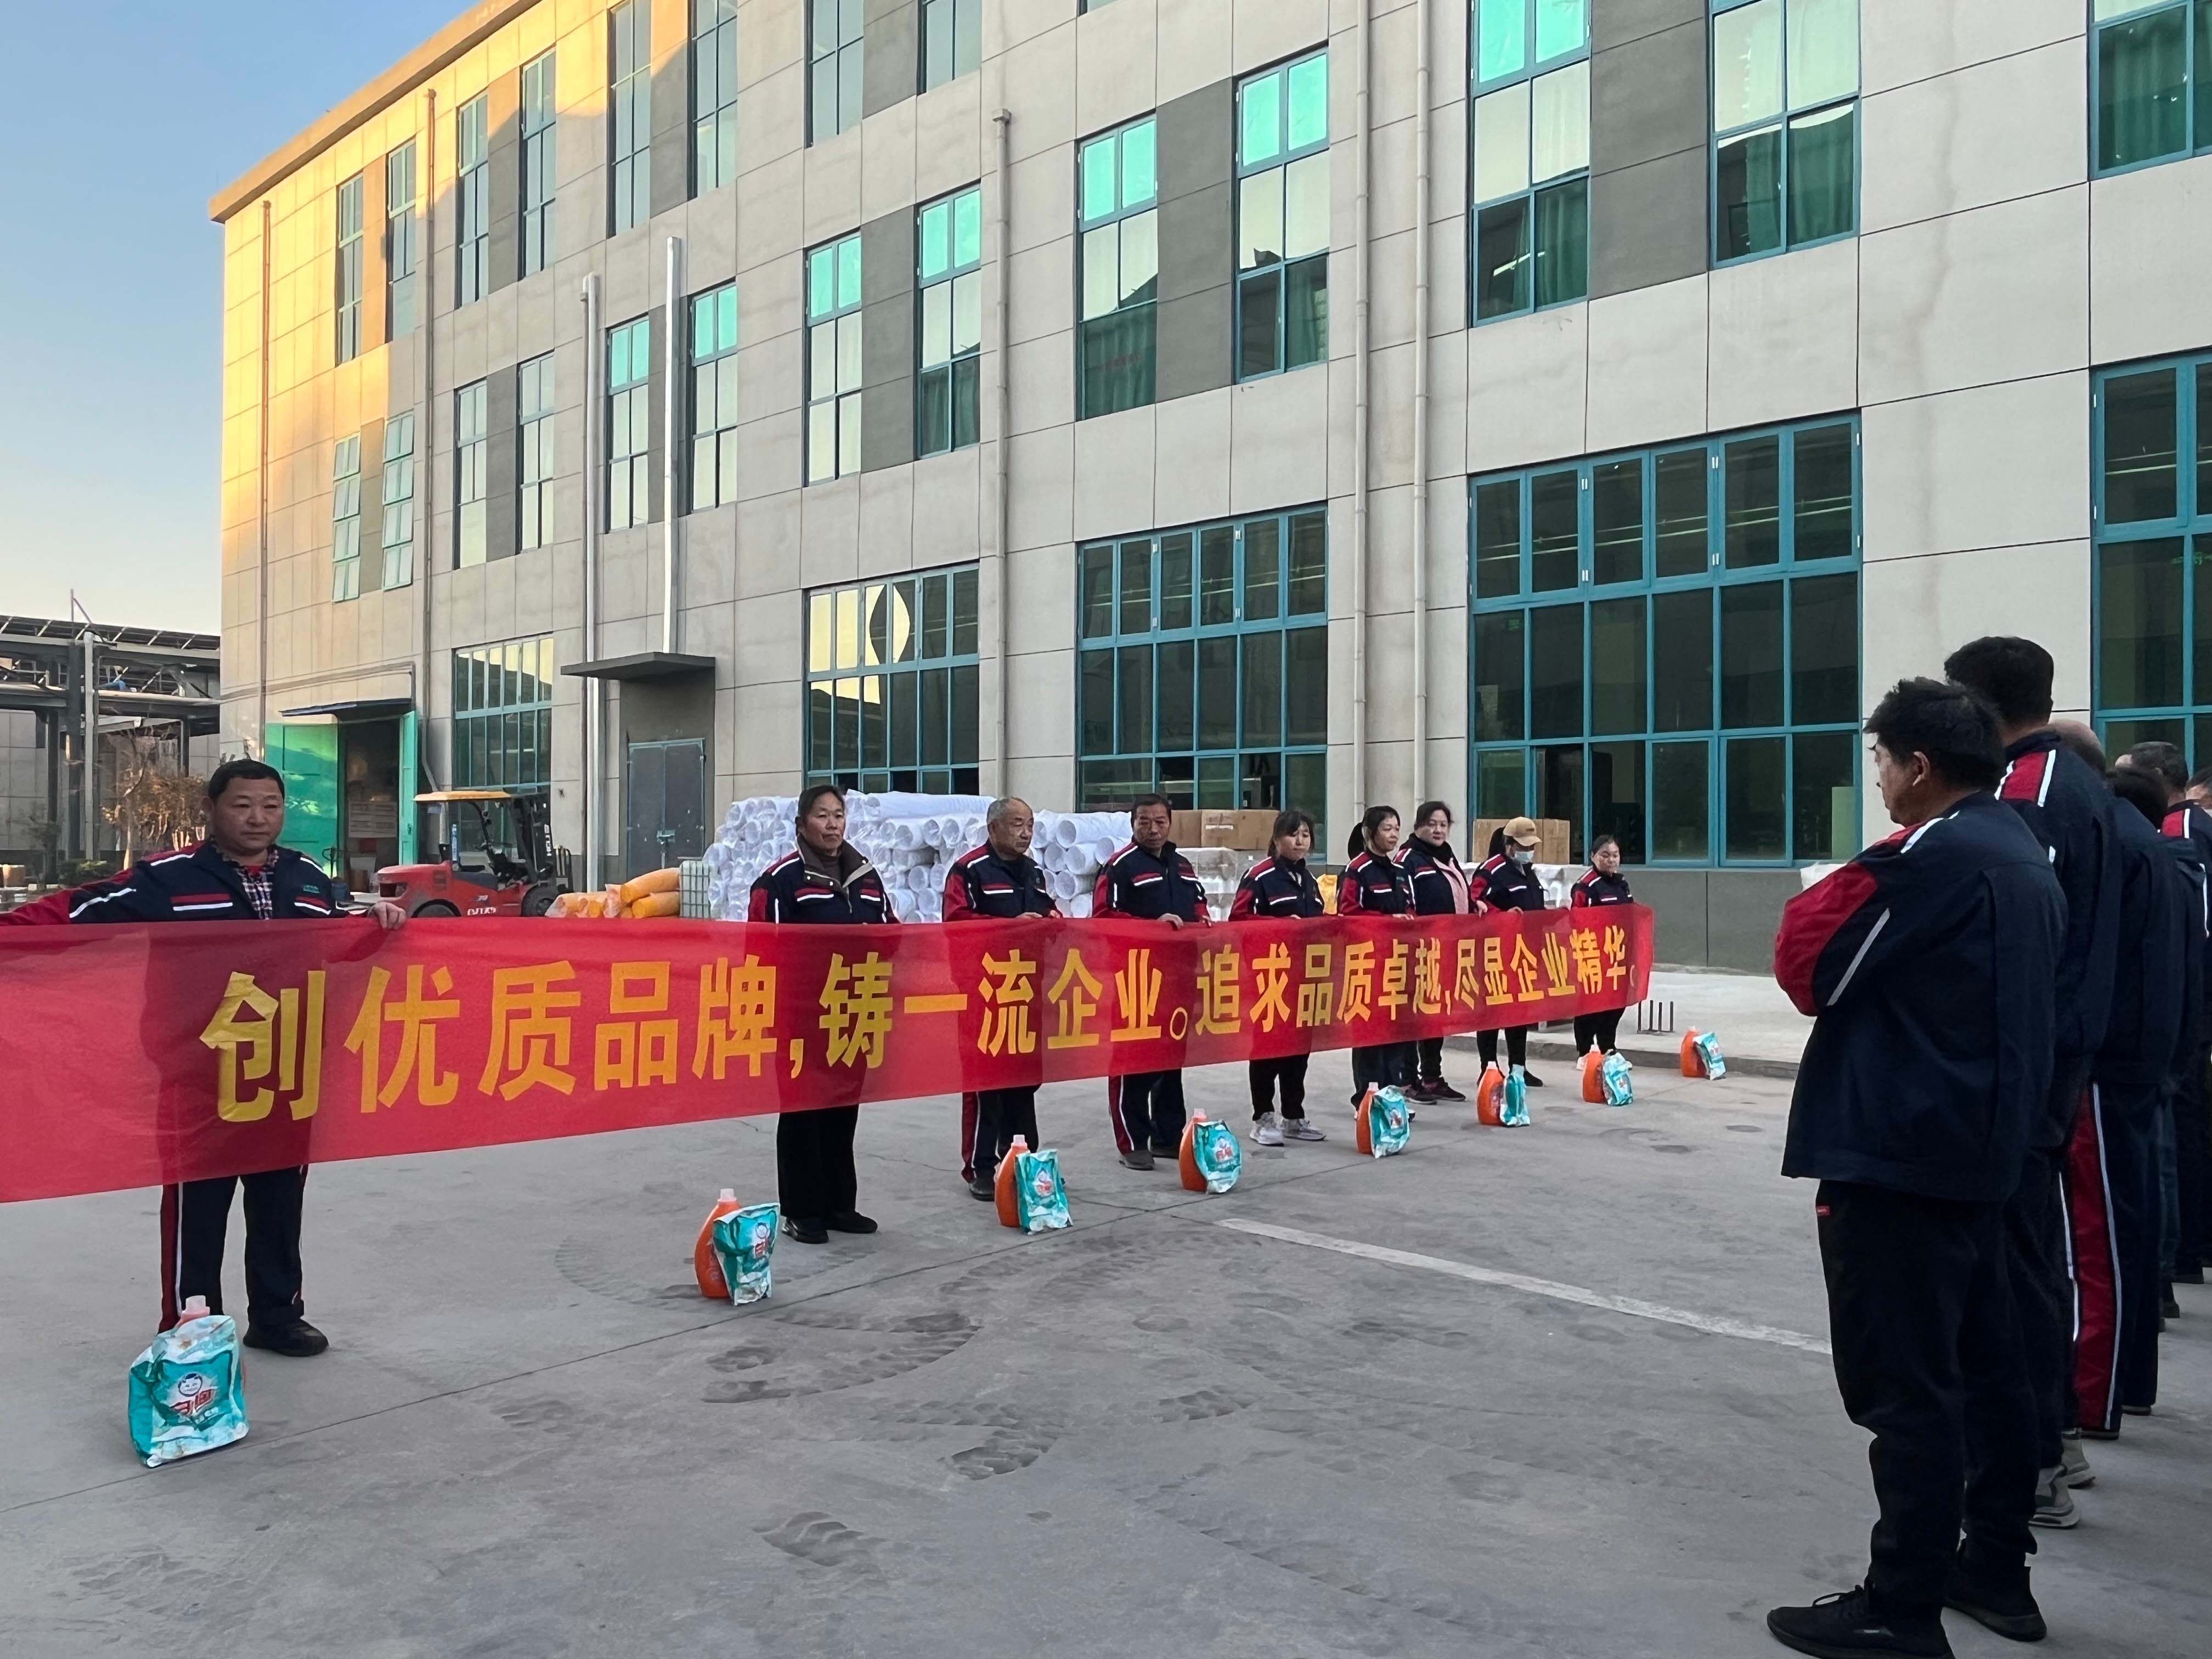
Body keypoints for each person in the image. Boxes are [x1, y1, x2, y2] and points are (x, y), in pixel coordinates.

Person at [1768, 678, 2062, 1658]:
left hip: (1903, 1153)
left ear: (1920, 765)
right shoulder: (2021, 847)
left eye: (1883, 762)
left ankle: (1900, 1603)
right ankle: (1995, 1566)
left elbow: (1808, 963)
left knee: (1907, 1390)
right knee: (1990, 1371)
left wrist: (1858, 866)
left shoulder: (1932, 856)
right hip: (1990, 1149)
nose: (1882, 781)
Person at [67, 758, 407, 1355]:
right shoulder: (167, 879)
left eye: (271, 806)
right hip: (199, 1072)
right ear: (213, 809)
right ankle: (194, 1326)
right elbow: (70, 915)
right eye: (242, 805)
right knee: (198, 1205)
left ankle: (278, 1316)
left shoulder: (306, 877)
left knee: (279, 1201)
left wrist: (375, 923)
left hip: (285, 1068)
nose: (257, 818)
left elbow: (336, 945)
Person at [1943, 637, 2121, 1505]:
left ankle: (2034, 1461)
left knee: (2011, 1265)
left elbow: (2015, 934)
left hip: (2027, 1065)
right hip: (2051, 1056)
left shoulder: (2031, 792)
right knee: (2030, 1253)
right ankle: (2051, 1442)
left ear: (1977, 709)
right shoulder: (2074, 782)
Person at [2080, 761, 2190, 1451]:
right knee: (2133, 1223)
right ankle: (2130, 1381)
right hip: (2149, 1059)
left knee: (2102, 1236)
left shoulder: (2117, 848)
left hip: (2112, 1064)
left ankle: (2098, 1392)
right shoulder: (2163, 853)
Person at [749, 784, 893, 1245]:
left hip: (852, 1011)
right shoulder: (780, 881)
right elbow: (761, 951)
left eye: (838, 815)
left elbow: (892, 933)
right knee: (802, 1114)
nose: (833, 825)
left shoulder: (866, 878)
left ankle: (838, 1205)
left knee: (842, 1110)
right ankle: (802, 1210)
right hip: (801, 1017)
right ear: (801, 825)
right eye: (822, 816)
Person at [2115, 738, 2212, 1288]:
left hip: (2184, 1001)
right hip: (2188, 1001)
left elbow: (2197, 927)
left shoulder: (2178, 833)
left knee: (2174, 1129)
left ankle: (2177, 1255)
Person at [943, 798, 1058, 1201]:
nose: (1026, 833)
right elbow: (955, 923)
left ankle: (1025, 1160)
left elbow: (1049, 912)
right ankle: (981, 1167)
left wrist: (1054, 923)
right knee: (986, 1082)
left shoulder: (1033, 873)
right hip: (985, 993)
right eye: (1017, 825)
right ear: (993, 829)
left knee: (1024, 1081)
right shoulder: (969, 871)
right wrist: (1010, 928)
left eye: (1030, 825)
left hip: (1025, 992)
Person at [1093, 794, 1209, 1170]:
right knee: (1133, 1060)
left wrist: (1202, 920)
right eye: (1144, 821)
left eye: (1160, 821)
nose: (1153, 829)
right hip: (1135, 979)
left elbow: (1199, 904)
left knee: (1170, 1060)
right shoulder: (1120, 867)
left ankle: (1168, 1136)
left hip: (1177, 977)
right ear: (1133, 824)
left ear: (1170, 824)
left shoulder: (1182, 865)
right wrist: (1151, 927)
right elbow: (1103, 917)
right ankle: (1133, 1142)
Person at [1231, 810, 1328, 1146]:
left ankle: (1293, 1116)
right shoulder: (1259, 877)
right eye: (1293, 834)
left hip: (1304, 979)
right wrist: (1280, 927)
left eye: (1305, 835)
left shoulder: (1309, 881)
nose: (1300, 841)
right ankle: (1263, 1117)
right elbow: (1239, 920)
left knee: (1298, 1052)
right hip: (1270, 979)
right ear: (1276, 839)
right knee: (1268, 1051)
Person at [1338, 805, 1417, 1105]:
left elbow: (1410, 907)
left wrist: (1407, 920)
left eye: (1397, 828)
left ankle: (1391, 1096)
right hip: (1367, 964)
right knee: (1369, 1035)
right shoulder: (1356, 871)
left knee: (1394, 1033)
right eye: (1387, 828)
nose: (1393, 835)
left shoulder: (1400, 871)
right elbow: (1348, 914)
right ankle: (1366, 1099)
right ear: (1369, 832)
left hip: (1397, 963)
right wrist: (1387, 922)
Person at [1398, 800, 1471, 1102]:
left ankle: (1432, 1076)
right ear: (1419, 826)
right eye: (1432, 824)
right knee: (1412, 1017)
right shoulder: (1408, 859)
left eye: (1443, 825)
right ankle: (1407, 1079)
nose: (1438, 830)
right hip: (1418, 951)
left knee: (1435, 1015)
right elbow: (1405, 902)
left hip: (1446, 950)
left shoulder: (1447, 857)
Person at [1468, 817, 1548, 1086]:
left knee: (1519, 1012)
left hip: (1523, 953)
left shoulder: (1528, 872)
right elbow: (1475, 903)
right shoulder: (1491, 871)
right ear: (1509, 845)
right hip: (1494, 952)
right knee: (1490, 1013)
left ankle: (1518, 1068)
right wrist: (1502, 916)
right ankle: (1489, 1068)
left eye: (1531, 846)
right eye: (1523, 846)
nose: (1528, 851)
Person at [1570, 834, 1634, 1060]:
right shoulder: (1586, 886)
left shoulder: (1621, 883)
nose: (1611, 860)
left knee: (1616, 1002)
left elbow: (1631, 912)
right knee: (1591, 1004)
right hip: (1593, 954)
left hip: (1617, 953)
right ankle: (1585, 1051)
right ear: (1593, 857)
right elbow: (1577, 921)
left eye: (1615, 855)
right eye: (1605, 855)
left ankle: (1608, 1046)